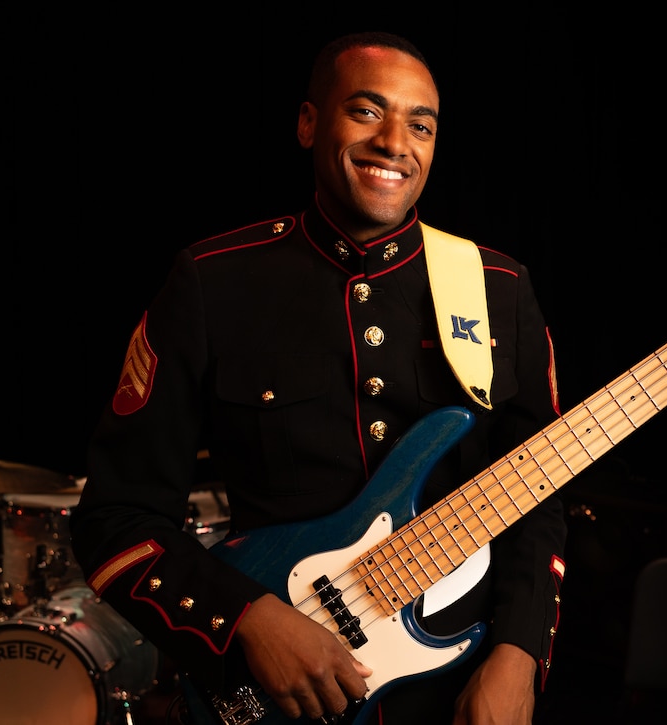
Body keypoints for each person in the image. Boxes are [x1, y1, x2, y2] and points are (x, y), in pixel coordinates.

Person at [70, 31, 567, 725]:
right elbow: (114, 519)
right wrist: (246, 619)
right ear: (308, 123)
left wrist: (518, 654)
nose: (394, 143)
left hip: (458, 692)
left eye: (420, 125)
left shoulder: (496, 287)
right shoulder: (213, 282)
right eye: (366, 112)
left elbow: (536, 493)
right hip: (275, 695)